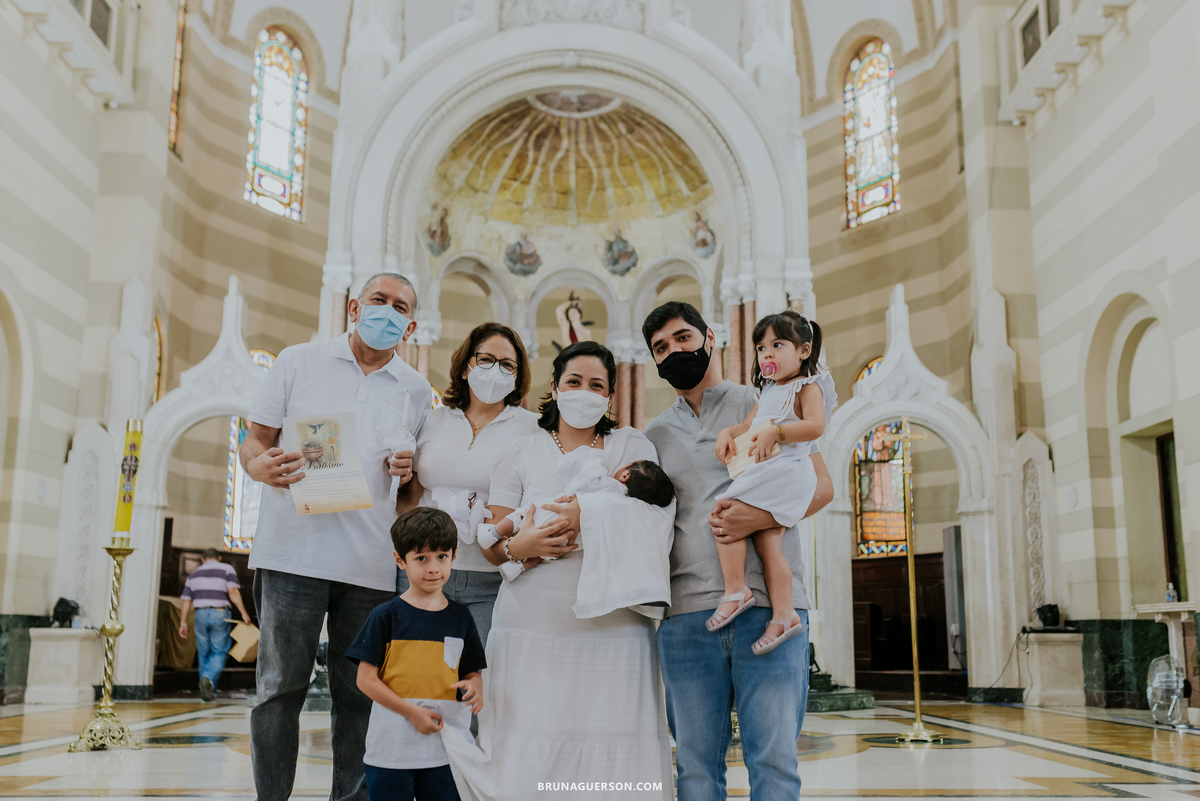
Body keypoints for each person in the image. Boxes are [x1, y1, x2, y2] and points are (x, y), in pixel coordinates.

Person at [441, 341, 673, 801]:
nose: (584, 392)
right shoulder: (522, 451)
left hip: (615, 624)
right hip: (531, 620)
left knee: (611, 732)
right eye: (574, 381)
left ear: (610, 396)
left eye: (596, 385)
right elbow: (493, 544)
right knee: (528, 730)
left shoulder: (632, 446)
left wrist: (586, 513)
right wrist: (520, 545)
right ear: (554, 387)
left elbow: (657, 519)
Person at [241, 272, 432, 801]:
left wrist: (408, 470)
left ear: (411, 325)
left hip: (370, 564)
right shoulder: (298, 361)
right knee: (279, 691)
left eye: (399, 307)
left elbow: (411, 493)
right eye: (378, 301)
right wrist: (262, 470)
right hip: (291, 554)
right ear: (353, 307)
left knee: (361, 696)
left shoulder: (416, 392)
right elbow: (253, 442)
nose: (387, 312)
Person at [642, 301, 833, 801]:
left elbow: (824, 488)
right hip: (686, 618)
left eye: (683, 338)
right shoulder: (654, 434)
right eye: (661, 347)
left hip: (769, 609)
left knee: (773, 764)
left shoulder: (767, 399)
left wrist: (762, 517)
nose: (674, 351)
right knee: (697, 771)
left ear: (710, 338)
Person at [399, 322, 538, 646]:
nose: (495, 370)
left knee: (478, 682)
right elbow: (411, 495)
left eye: (507, 365)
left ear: (517, 376)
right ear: (465, 368)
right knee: (417, 675)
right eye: (486, 360)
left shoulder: (532, 429)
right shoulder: (433, 420)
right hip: (424, 567)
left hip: (491, 577)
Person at [712, 310, 837, 654]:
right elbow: (748, 426)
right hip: (768, 472)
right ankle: (784, 615)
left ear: (804, 351)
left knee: (725, 514)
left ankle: (737, 590)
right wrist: (728, 432)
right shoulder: (767, 391)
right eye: (761, 347)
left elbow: (815, 427)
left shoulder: (807, 386)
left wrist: (777, 431)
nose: (766, 353)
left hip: (788, 470)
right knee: (768, 544)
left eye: (777, 344)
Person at [348, 507, 486, 801]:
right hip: (391, 751)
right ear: (400, 560)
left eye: (441, 557)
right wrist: (411, 712)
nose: (433, 568)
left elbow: (471, 670)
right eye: (421, 558)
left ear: (454, 556)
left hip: (445, 752)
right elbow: (365, 679)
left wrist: (475, 684)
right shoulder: (385, 616)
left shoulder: (461, 618)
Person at [484, 455, 674, 580]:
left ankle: (493, 532)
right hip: (569, 541)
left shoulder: (609, 485)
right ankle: (518, 568)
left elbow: (584, 474)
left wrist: (595, 462)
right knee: (542, 555)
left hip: (553, 516)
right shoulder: (629, 507)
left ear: (625, 474)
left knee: (525, 513)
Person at [177, 548, 251, 702]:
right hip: (219, 614)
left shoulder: (194, 574)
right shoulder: (226, 569)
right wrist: (243, 613)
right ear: (219, 558)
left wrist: (182, 623)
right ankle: (208, 679)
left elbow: (185, 601)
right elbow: (233, 593)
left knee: (204, 653)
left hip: (200, 614)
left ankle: (209, 691)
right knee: (219, 651)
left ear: (203, 560)